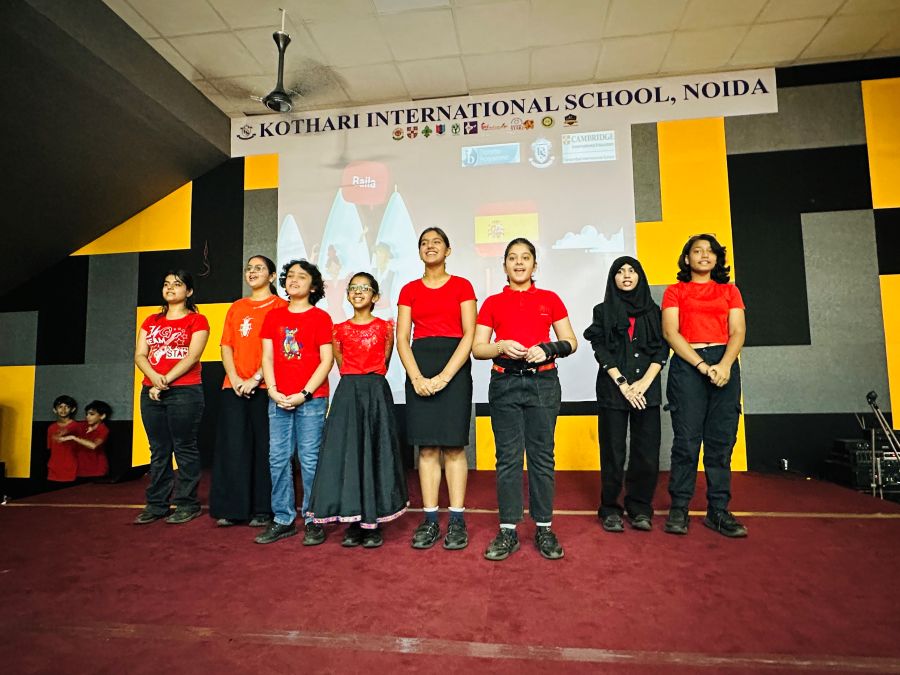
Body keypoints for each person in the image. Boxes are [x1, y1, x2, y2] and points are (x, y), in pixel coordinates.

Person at [472, 238, 577, 561]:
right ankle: (508, 530)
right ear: (504, 265)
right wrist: (501, 346)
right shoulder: (492, 303)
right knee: (508, 458)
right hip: (504, 383)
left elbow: (571, 341)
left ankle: (544, 528)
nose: (519, 263)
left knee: (542, 456)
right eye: (513, 258)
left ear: (534, 264)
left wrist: (549, 349)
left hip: (543, 383)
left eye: (525, 257)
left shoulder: (550, 299)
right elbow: (478, 349)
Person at [306, 273, 408, 548]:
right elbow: (341, 364)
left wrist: (369, 380)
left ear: (376, 296)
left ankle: (373, 523)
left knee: (375, 451)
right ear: (348, 295)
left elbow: (385, 360)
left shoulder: (385, 327)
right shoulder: (338, 329)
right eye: (353, 288)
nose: (358, 292)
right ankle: (353, 521)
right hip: (348, 394)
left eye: (365, 288)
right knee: (350, 453)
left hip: (375, 393)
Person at [661, 234, 748, 538]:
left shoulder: (730, 291)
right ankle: (679, 507)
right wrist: (700, 365)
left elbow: (738, 331)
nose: (704, 255)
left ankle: (718, 510)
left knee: (721, 442)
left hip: (724, 364)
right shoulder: (675, 291)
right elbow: (671, 333)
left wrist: (724, 365)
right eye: (697, 251)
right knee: (686, 442)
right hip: (688, 366)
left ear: (717, 258)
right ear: (687, 259)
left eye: (710, 251)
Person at [396, 227, 476, 550]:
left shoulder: (462, 286)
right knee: (427, 449)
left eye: (437, 242)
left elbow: (469, 335)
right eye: (424, 243)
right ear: (419, 251)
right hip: (420, 363)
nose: (430, 247)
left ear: (448, 250)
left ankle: (457, 520)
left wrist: (445, 377)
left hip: (454, 365)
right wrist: (416, 377)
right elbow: (402, 338)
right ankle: (430, 519)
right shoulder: (409, 289)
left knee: (454, 447)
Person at [584, 257, 667, 533]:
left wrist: (643, 383)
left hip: (646, 390)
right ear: (613, 279)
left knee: (646, 453)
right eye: (620, 272)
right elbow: (600, 349)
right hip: (613, 390)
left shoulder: (654, 312)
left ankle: (640, 508)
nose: (626, 275)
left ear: (640, 276)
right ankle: (610, 509)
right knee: (613, 453)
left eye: (632, 271)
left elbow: (661, 349)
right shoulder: (602, 311)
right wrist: (623, 384)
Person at [256, 259, 334, 545]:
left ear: (313, 286)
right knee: (278, 459)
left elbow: (326, 361)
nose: (293, 280)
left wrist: (305, 393)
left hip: (311, 400)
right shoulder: (273, 317)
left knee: (310, 460)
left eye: (301, 276)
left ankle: (313, 519)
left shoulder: (320, 318)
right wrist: (272, 390)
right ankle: (283, 518)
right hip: (278, 398)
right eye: (290, 276)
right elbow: (267, 357)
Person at [210, 255, 287, 528]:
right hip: (233, 387)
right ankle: (233, 509)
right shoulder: (237, 307)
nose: (252, 272)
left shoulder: (281, 306)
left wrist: (255, 378)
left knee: (266, 448)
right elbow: (226, 345)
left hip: (266, 387)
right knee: (233, 447)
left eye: (259, 268)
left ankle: (263, 509)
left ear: (272, 275)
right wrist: (234, 378)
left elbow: (280, 349)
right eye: (249, 268)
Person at [134, 270, 210, 525]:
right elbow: (140, 355)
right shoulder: (151, 321)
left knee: (184, 447)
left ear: (189, 291)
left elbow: (192, 356)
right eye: (166, 284)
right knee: (158, 449)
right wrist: (154, 379)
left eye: (177, 284)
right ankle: (156, 505)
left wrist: (163, 380)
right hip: (151, 391)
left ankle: (187, 504)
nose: (170, 288)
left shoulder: (197, 320)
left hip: (185, 391)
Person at [61, 400, 111, 479]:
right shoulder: (82, 425)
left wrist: (73, 437)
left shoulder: (103, 430)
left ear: (102, 416)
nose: (87, 416)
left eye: (91, 414)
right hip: (79, 471)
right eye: (87, 414)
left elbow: (93, 445)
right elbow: (63, 431)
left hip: (97, 471)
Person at [47, 395, 79, 483]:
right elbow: (50, 448)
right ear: (54, 410)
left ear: (73, 409)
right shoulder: (51, 428)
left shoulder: (77, 426)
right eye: (60, 407)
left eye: (67, 407)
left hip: (72, 467)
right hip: (54, 468)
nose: (63, 409)